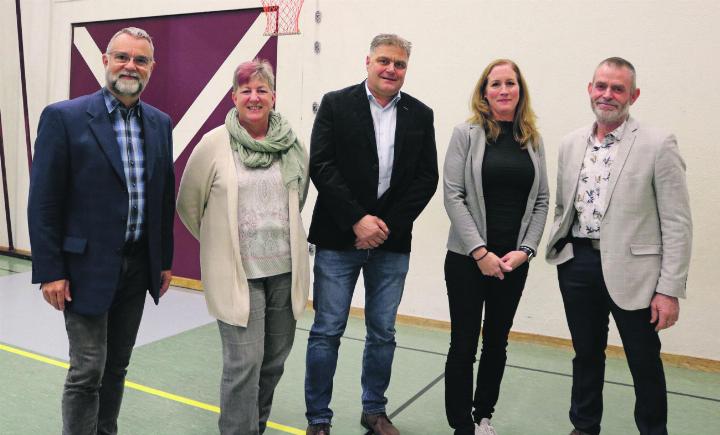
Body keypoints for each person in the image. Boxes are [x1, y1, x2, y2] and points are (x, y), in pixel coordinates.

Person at [27, 27, 174, 434]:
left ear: (151, 69)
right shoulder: (64, 118)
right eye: (122, 56)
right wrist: (50, 269)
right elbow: (43, 201)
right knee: (87, 370)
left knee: (117, 367)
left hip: (136, 267)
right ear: (106, 61)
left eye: (140, 60)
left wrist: (162, 260)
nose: (131, 65)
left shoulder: (160, 124)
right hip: (82, 269)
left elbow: (163, 196)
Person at [545, 57, 692, 435]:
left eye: (617, 89)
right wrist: (563, 253)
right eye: (601, 86)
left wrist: (669, 290)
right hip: (578, 266)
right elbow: (565, 205)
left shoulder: (658, 144)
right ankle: (584, 426)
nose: (607, 95)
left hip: (637, 275)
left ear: (633, 95)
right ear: (590, 89)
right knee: (586, 355)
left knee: (644, 361)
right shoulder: (570, 142)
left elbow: (677, 222)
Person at [304, 34, 438, 435]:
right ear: (368, 61)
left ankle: (374, 410)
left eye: (399, 64)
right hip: (337, 238)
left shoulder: (420, 114)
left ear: (406, 70)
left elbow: (425, 178)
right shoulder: (335, 104)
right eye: (384, 61)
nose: (391, 70)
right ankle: (319, 418)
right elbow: (322, 166)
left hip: (392, 244)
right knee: (327, 330)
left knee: (383, 331)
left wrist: (385, 227)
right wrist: (357, 220)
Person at [177, 59, 309, 435]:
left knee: (273, 362)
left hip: (284, 272)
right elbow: (189, 204)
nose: (254, 97)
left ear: (273, 96)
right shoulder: (214, 145)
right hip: (238, 275)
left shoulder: (292, 144)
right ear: (234, 97)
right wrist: (220, 244)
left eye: (262, 90)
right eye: (246, 90)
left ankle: (255, 427)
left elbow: (299, 197)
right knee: (243, 364)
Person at [442, 59, 549, 435]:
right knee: (464, 343)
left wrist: (526, 250)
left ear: (520, 90)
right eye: (496, 84)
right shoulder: (465, 134)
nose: (504, 90)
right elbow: (453, 196)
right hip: (467, 260)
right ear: (484, 92)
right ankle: (461, 426)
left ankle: (482, 415)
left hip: (513, 262)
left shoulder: (532, 139)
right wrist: (480, 253)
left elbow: (542, 200)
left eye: (511, 83)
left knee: (497, 342)